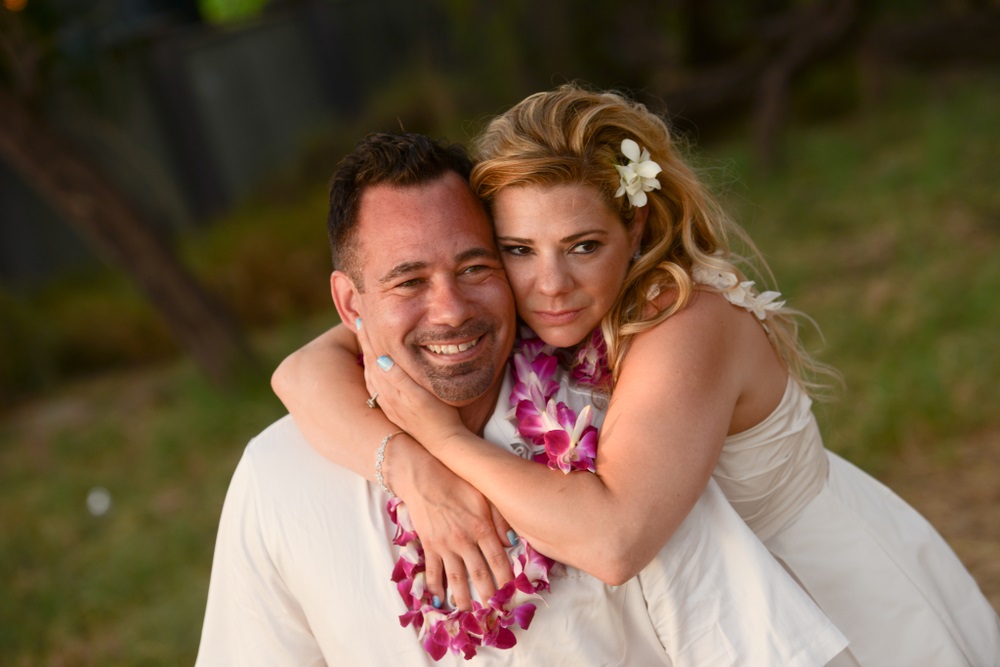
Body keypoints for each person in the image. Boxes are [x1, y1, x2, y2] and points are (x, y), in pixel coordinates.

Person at [272, 86, 1000, 666]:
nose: (549, 285)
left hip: (829, 598)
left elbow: (614, 539)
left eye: (583, 245)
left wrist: (441, 440)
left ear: (640, 230)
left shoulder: (686, 321)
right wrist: (404, 465)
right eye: (518, 249)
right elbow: (304, 371)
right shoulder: (517, 297)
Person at [198, 131, 853, 665]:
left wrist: (445, 443)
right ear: (349, 304)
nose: (450, 310)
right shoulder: (277, 476)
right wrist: (410, 463)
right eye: (408, 280)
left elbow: (744, 636)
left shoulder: (615, 431)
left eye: (477, 267)